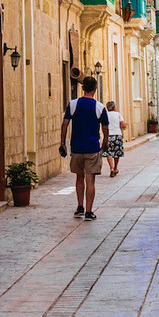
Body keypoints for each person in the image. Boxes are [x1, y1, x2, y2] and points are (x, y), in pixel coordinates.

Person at [58, 74, 107, 220]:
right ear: (95, 88)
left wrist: (62, 143)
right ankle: (89, 211)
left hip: (77, 147)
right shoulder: (99, 107)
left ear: (82, 87)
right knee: (90, 179)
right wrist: (105, 143)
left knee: (79, 177)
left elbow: (65, 124)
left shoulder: (72, 104)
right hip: (92, 147)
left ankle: (80, 206)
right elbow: (105, 128)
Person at [104, 100, 126, 176]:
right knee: (117, 153)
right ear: (114, 107)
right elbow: (123, 125)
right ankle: (115, 167)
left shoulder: (105, 115)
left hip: (108, 135)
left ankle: (111, 168)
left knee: (108, 152)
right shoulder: (118, 114)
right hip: (117, 135)